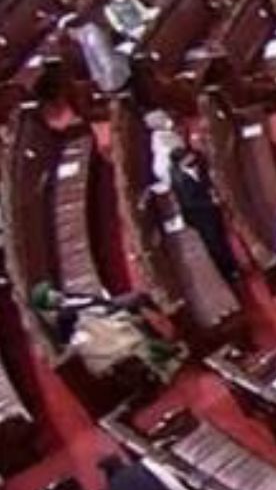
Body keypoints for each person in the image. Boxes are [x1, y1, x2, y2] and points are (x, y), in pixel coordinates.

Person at [31, 283, 179, 380]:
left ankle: (166, 320)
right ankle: (162, 347)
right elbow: (68, 337)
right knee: (133, 319)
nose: (55, 293)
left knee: (139, 297)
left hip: (107, 305)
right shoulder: (64, 316)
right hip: (105, 317)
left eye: (52, 291)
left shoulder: (69, 296)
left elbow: (92, 300)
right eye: (50, 295)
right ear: (49, 304)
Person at [169, 147, 240, 283]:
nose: (191, 158)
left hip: (210, 210)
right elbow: (190, 203)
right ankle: (227, 273)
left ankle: (233, 266)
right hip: (200, 216)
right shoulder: (181, 180)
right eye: (187, 158)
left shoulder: (194, 165)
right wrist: (211, 202)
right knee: (214, 244)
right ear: (180, 163)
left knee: (222, 239)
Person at [63, 13, 129, 93]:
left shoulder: (91, 35)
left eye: (68, 33)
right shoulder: (86, 36)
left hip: (115, 78)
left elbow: (104, 60)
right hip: (111, 79)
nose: (70, 36)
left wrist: (109, 83)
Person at [145, 110, 183, 191]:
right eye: (165, 118)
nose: (169, 121)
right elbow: (179, 146)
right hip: (166, 166)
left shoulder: (157, 135)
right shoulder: (161, 135)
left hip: (163, 166)